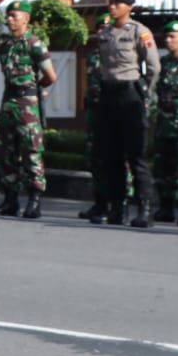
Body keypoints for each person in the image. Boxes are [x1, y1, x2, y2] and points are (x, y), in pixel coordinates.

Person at [89, 0, 161, 227]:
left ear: (129, 6)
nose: (113, 7)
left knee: (136, 154)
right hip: (109, 94)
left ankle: (145, 208)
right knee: (111, 155)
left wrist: (145, 93)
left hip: (130, 94)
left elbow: (153, 67)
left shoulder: (140, 32)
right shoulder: (106, 33)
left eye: (118, 3)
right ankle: (118, 207)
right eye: (111, 3)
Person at [0, 0, 56, 220]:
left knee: (31, 151)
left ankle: (34, 200)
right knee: (6, 151)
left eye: (14, 16)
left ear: (26, 18)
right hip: (8, 101)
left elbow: (50, 76)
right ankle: (10, 200)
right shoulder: (5, 44)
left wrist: (35, 89)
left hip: (27, 103)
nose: (9, 20)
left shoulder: (35, 44)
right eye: (8, 16)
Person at [150, 20, 178, 223]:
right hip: (165, 124)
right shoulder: (164, 62)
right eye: (166, 37)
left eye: (172, 37)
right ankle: (166, 206)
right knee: (163, 168)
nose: (168, 41)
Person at [77, 13, 113, 221]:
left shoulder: (119, 53)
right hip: (95, 112)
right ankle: (99, 203)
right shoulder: (92, 56)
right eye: (100, 28)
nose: (103, 32)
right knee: (95, 159)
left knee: (115, 159)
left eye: (107, 27)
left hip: (113, 111)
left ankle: (117, 203)